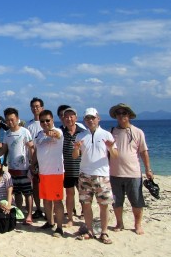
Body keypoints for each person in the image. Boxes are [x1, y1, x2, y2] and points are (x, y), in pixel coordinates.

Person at [73, 108, 118, 244]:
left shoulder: (106, 135)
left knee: (104, 205)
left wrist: (110, 148)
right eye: (87, 118)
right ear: (84, 120)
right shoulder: (81, 136)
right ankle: (90, 231)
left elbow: (115, 156)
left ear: (98, 118)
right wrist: (76, 148)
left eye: (92, 117)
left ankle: (104, 232)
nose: (90, 120)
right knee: (86, 205)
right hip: (84, 175)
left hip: (102, 175)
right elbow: (75, 156)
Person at [109, 103, 154, 235]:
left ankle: (137, 224)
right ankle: (119, 223)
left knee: (136, 200)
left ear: (129, 115)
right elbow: (107, 152)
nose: (121, 116)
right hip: (115, 173)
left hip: (133, 173)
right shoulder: (112, 132)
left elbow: (144, 152)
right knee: (117, 201)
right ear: (116, 116)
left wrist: (148, 169)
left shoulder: (138, 132)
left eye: (124, 113)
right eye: (118, 113)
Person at [0, 107, 35, 225]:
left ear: (17, 119)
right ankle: (20, 213)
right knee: (16, 193)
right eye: (7, 120)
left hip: (24, 168)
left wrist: (32, 165)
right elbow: (4, 149)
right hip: (12, 169)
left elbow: (31, 148)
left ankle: (29, 215)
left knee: (28, 193)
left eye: (12, 119)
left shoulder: (25, 131)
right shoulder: (7, 133)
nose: (10, 122)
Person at [32, 110, 64, 237]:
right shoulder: (39, 135)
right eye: (42, 121)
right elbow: (36, 151)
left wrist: (53, 133)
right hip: (43, 172)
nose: (45, 123)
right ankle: (50, 222)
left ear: (52, 120)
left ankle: (60, 227)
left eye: (47, 120)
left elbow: (57, 135)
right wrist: (33, 164)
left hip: (55, 172)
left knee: (57, 200)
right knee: (45, 199)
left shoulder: (58, 131)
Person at [60, 107, 85, 226]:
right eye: (66, 116)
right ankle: (70, 218)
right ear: (63, 119)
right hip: (67, 170)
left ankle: (85, 215)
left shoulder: (83, 131)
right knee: (69, 194)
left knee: (84, 194)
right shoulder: (60, 132)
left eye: (71, 116)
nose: (69, 119)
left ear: (76, 117)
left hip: (82, 169)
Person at [26, 97, 45, 219]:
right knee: (35, 187)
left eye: (37, 106)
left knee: (46, 185)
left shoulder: (46, 123)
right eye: (33, 106)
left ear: (42, 108)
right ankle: (38, 209)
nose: (35, 108)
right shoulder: (29, 125)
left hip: (46, 160)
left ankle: (49, 210)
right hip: (33, 160)